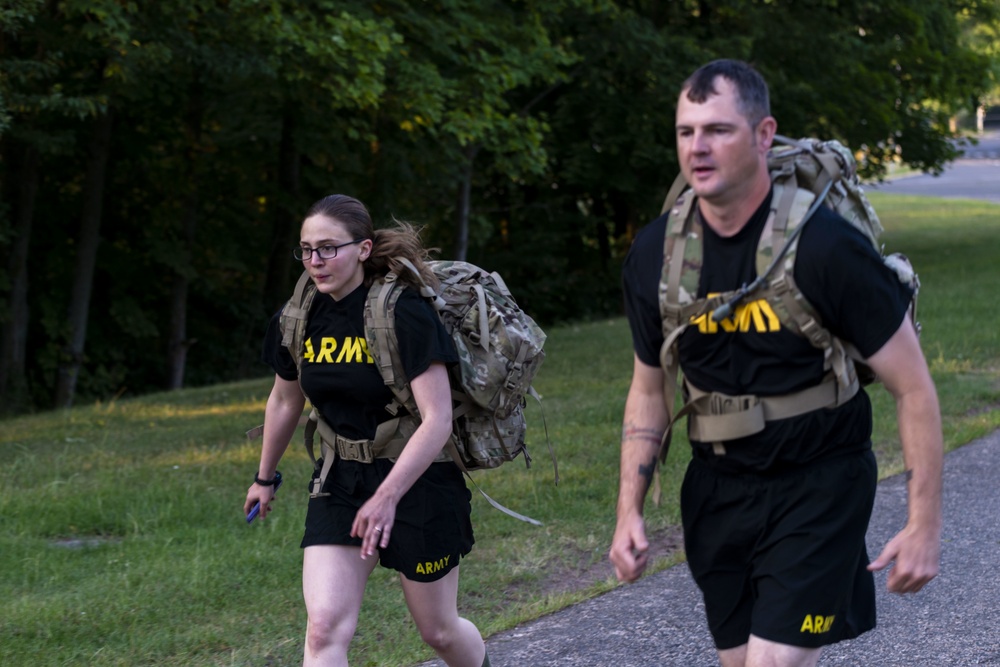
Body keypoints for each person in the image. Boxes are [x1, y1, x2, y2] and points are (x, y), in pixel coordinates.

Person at [609, 59, 943, 667]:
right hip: (717, 492)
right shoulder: (656, 253)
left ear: (764, 135)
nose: (699, 147)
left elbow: (913, 387)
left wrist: (924, 523)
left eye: (719, 130)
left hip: (820, 484)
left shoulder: (827, 249)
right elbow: (647, 389)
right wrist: (628, 510)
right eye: (687, 132)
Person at [244, 194, 490, 667]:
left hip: (417, 479)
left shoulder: (403, 312)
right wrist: (264, 476)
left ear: (362, 248)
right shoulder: (298, 317)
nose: (315, 261)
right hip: (341, 480)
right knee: (323, 630)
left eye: (328, 248)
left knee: (438, 631)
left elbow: (436, 419)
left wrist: (388, 495)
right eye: (306, 249)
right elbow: (285, 398)